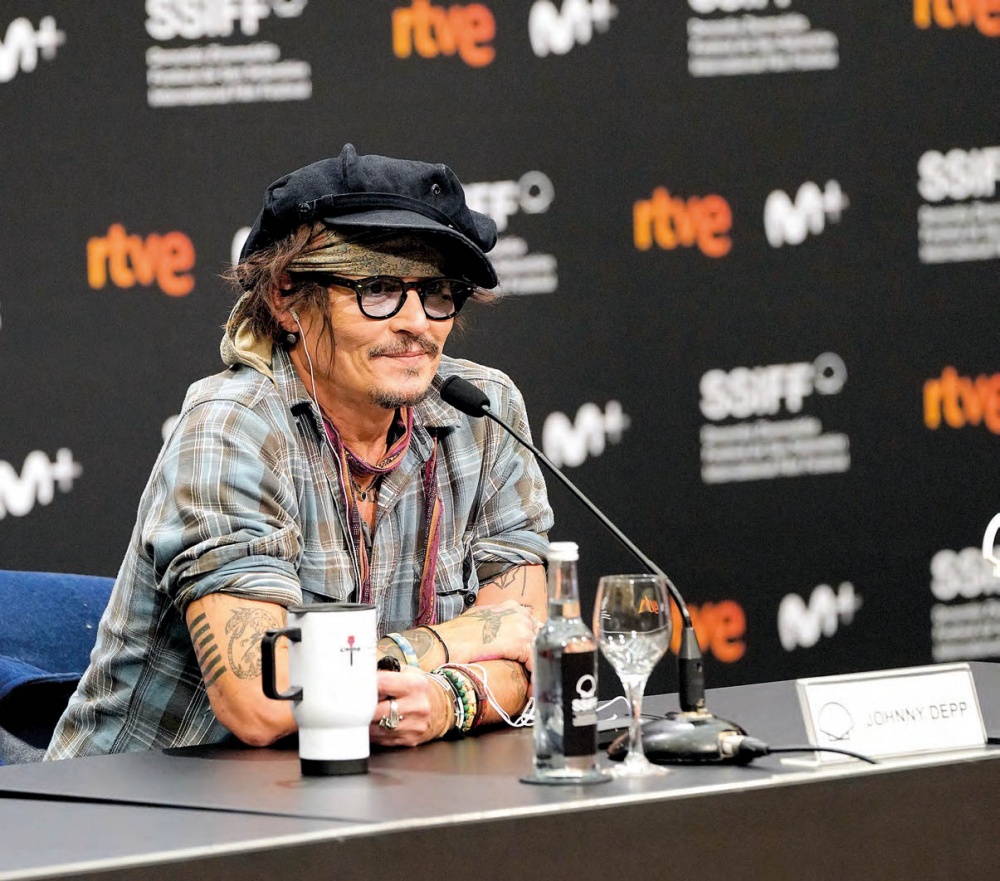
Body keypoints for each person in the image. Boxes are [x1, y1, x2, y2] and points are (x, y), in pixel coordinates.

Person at [46, 144, 553, 759]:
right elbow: (262, 700)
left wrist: (446, 701)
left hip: (354, 793)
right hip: (144, 802)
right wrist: (455, 644)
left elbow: (530, 652)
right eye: (378, 289)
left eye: (439, 292)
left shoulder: (483, 413)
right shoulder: (232, 427)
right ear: (287, 299)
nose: (418, 323)